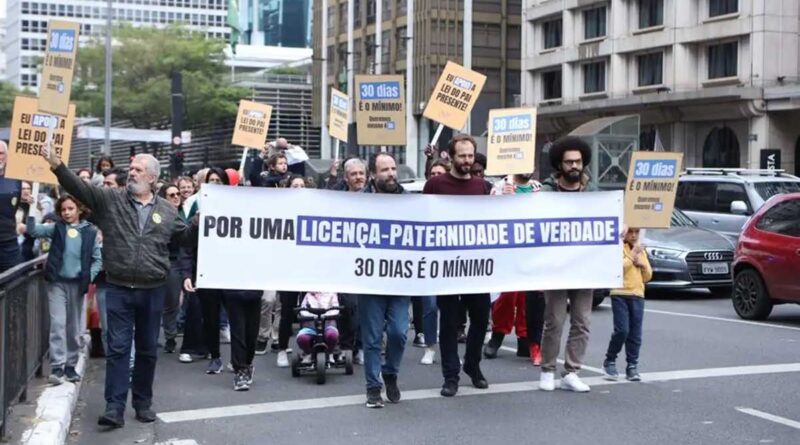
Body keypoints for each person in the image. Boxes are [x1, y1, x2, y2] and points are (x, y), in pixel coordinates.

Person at [41, 141, 189, 428]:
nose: (131, 173)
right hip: (119, 288)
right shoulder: (111, 200)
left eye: (138, 170)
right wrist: (57, 165)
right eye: (131, 168)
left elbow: (186, 236)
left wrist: (207, 217)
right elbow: (80, 189)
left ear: (152, 178)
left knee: (147, 350)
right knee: (119, 349)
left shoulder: (168, 211)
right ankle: (114, 408)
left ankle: (142, 403)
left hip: (152, 290)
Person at [423, 134, 491, 398]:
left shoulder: (482, 186)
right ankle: (450, 375)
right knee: (450, 322)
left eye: (470, 155)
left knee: (481, 317)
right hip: (446, 266)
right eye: (462, 156)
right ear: (451, 157)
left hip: (476, 266)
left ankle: (472, 364)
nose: (467, 160)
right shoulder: (435, 185)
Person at [538, 136, 599, 393]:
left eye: (578, 161)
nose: (574, 166)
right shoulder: (546, 192)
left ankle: (572, 372)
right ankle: (547, 369)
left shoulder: (593, 192)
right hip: (556, 267)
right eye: (569, 162)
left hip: (584, 266)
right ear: (559, 164)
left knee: (582, 321)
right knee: (554, 320)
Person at [22, 195, 102, 385]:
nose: (67, 213)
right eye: (63, 209)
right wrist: (32, 209)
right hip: (57, 283)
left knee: (73, 327)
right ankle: (57, 366)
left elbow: (97, 259)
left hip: (77, 284)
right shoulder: (57, 228)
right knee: (58, 324)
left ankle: (70, 365)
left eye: (70, 208)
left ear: (79, 209)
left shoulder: (90, 231)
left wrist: (88, 277)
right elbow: (33, 230)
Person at [360, 152, 410, 408]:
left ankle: (390, 372)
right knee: (372, 338)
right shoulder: (358, 202)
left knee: (399, 333)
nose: (391, 174)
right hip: (370, 280)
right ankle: (373, 387)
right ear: (373, 174)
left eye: (393, 168)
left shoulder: (408, 201)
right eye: (384, 170)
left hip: (400, 279)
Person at [484, 173, 544, 364]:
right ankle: (498, 335)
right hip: (508, 251)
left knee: (529, 298)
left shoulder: (539, 188)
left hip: (532, 252)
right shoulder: (500, 187)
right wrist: (505, 200)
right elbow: (490, 215)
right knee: (507, 296)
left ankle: (525, 339)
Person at [603, 226, 652, 382]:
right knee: (622, 330)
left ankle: (632, 365)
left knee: (635, 333)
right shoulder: (619, 248)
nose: (633, 235)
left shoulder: (641, 250)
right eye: (630, 232)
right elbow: (618, 268)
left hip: (637, 294)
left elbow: (648, 276)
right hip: (620, 293)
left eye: (636, 232)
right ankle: (610, 359)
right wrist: (632, 255)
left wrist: (642, 264)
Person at [158, 184, 183, 354]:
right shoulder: (160, 215)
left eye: (177, 194)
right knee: (168, 302)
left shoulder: (185, 213)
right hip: (167, 261)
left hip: (185, 262)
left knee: (177, 303)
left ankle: (173, 334)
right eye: (171, 195)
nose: (176, 197)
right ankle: (169, 336)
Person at [295, 292, 340, 362]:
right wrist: (312, 316)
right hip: (311, 325)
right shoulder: (308, 295)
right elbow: (303, 309)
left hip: (328, 324)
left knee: (332, 335)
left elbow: (336, 309)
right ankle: (308, 353)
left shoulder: (332, 294)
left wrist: (325, 316)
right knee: (302, 338)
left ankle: (330, 352)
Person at [0, 140, 22, 273]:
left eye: (1, 153)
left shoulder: (15, 179)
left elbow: (16, 205)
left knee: (13, 281)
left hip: (9, 243)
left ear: (7, 156)